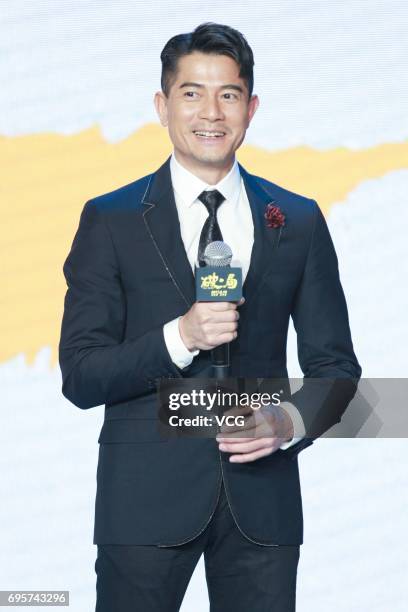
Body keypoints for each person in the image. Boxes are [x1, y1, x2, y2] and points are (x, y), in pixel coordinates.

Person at [59, 22, 361, 612]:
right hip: (143, 503)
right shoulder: (112, 219)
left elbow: (337, 369)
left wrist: (288, 422)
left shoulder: (296, 219)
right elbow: (81, 375)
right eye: (191, 93)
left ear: (251, 108)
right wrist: (181, 337)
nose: (211, 112)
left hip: (262, 507)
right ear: (162, 105)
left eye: (227, 95)